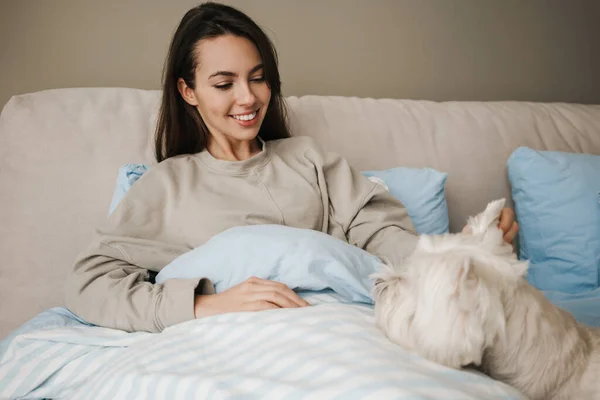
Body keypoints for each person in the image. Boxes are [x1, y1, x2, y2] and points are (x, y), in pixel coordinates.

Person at [65, 2, 518, 333]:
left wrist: (456, 253)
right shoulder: (167, 185)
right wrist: (206, 305)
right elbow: (89, 284)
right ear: (188, 91)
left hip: (335, 325)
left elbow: (379, 235)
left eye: (258, 77)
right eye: (224, 83)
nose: (248, 98)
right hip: (228, 340)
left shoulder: (308, 159)